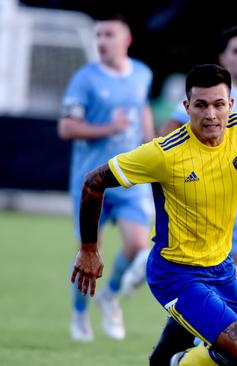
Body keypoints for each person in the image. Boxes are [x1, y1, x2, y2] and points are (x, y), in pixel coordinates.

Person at [71, 64, 237, 365]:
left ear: (231, 105)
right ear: (186, 107)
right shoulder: (164, 154)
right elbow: (94, 181)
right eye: (201, 105)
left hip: (220, 267)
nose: (210, 114)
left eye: (218, 104)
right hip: (175, 271)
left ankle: (165, 358)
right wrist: (89, 249)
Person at [143, 25, 237, 365]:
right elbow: (163, 148)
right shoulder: (202, 97)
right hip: (193, 219)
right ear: (223, 57)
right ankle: (173, 357)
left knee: (236, 326)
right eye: (235, 51)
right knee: (223, 322)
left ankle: (169, 356)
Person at [58, 14, 154, 342]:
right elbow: (67, 127)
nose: (101, 41)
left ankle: (111, 296)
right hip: (91, 185)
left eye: (109, 34)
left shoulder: (142, 73)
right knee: (89, 252)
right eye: (98, 35)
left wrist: (150, 142)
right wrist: (107, 129)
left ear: (126, 39)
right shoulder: (84, 79)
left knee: (138, 245)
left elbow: (141, 108)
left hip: (127, 180)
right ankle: (80, 313)